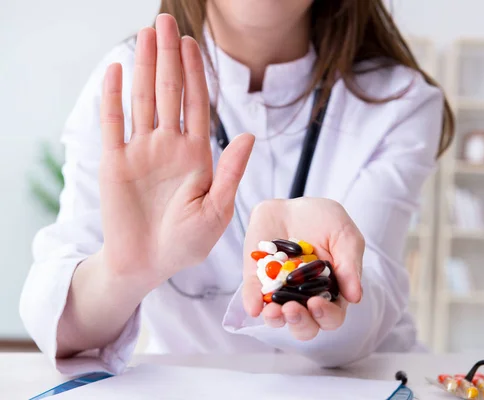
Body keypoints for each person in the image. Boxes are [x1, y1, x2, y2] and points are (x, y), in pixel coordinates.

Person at [20, 0, 454, 376]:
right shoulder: (129, 80)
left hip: (368, 382)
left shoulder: (399, 100)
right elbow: (56, 321)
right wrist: (125, 270)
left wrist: (323, 279)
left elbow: (368, 308)